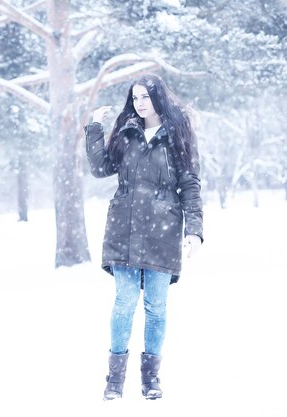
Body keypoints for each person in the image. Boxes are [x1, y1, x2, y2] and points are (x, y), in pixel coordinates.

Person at [83, 73, 203, 400]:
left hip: (163, 230)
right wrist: (95, 128)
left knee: (156, 306)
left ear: (157, 98)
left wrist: (194, 230)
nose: (139, 104)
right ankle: (114, 380)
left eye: (144, 97)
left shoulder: (177, 135)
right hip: (124, 225)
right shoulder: (126, 132)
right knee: (124, 302)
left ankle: (151, 379)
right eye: (134, 98)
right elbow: (100, 167)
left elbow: (190, 184)